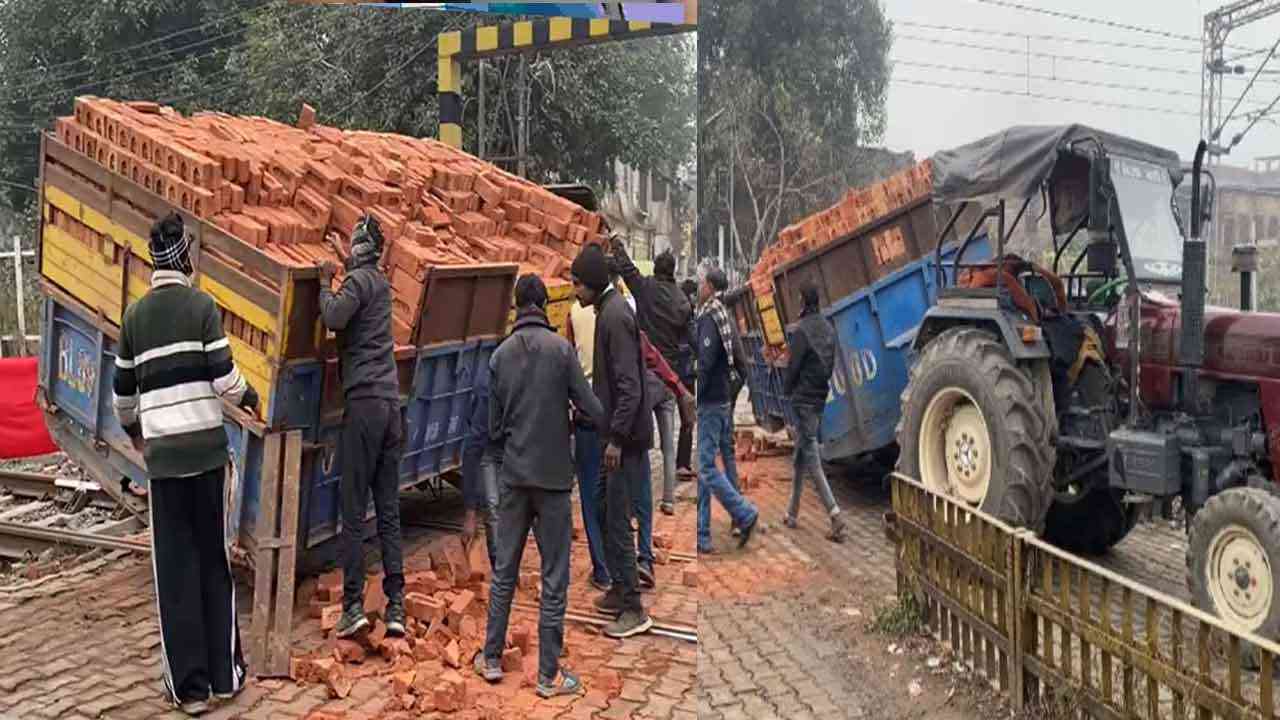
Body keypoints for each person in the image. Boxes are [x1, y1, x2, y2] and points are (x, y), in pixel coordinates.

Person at [112, 213, 258, 716]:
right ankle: (226, 678)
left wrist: (138, 435)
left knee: (175, 572)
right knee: (214, 563)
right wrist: (251, 397)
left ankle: (190, 690)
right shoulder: (202, 307)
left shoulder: (134, 318)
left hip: (166, 467)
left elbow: (122, 398)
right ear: (184, 260)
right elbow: (224, 379)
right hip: (208, 460)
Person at [475, 274, 603, 696]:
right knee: (554, 576)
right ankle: (548, 675)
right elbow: (591, 406)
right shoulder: (562, 351)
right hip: (553, 479)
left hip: (514, 476)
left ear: (516, 307)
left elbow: (493, 428)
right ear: (546, 306)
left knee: (505, 571)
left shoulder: (500, 356)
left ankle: (491, 658)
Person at [567, 293, 696, 592]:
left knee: (594, 497)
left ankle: (605, 571)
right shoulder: (623, 315)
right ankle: (643, 559)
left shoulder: (581, 313)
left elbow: (570, 361)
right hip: (626, 422)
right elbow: (651, 357)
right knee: (638, 491)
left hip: (595, 420)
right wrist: (679, 388)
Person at [315, 215, 406, 641]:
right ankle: (396, 606)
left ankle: (352, 606)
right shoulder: (381, 284)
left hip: (365, 405)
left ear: (358, 247)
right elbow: (360, 286)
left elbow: (334, 316)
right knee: (388, 510)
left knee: (352, 510)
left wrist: (323, 282)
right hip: (391, 405)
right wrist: (347, 265)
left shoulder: (357, 283)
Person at [570, 244, 654, 638]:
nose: (574, 292)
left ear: (591, 283)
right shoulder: (608, 311)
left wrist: (617, 440)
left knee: (617, 519)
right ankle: (620, 588)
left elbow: (629, 386)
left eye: (576, 284)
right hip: (614, 435)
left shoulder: (615, 317)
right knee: (603, 508)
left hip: (625, 439)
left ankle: (634, 608)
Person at [610, 240, 693, 515]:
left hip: (646, 375)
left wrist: (616, 242)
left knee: (639, 443)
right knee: (668, 444)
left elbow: (626, 269)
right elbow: (689, 338)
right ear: (674, 270)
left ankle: (635, 503)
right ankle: (668, 499)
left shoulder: (645, 289)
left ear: (656, 269)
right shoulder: (682, 301)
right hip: (670, 378)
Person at [696, 268, 759, 555]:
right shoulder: (724, 316)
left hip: (711, 401)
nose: (699, 288)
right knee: (719, 460)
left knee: (706, 467)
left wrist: (698, 393)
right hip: (722, 400)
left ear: (709, 286)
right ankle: (705, 532)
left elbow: (706, 363)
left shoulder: (711, 318)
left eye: (702, 284)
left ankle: (743, 513)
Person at [782, 284, 848, 543]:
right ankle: (792, 512)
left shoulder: (802, 331)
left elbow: (793, 368)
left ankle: (835, 515)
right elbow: (828, 366)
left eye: (799, 298)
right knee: (800, 456)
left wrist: (787, 390)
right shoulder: (828, 329)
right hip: (819, 399)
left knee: (811, 458)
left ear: (803, 301)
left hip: (803, 402)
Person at [461, 359, 499, 571]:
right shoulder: (487, 391)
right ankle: (500, 568)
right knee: (493, 506)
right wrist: (470, 512)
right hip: (491, 444)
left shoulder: (531, 387)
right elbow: (473, 450)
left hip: (519, 444)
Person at [677, 279, 699, 479]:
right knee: (687, 419)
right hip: (685, 371)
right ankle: (682, 464)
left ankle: (680, 463)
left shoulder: (673, 308)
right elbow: (694, 340)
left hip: (674, 369)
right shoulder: (687, 312)